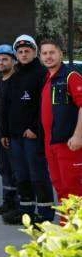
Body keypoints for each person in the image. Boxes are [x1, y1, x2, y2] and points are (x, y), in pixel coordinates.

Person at [1, 34, 55, 225]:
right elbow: (7, 106)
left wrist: (34, 128)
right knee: (21, 175)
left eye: (27, 51)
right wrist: (5, 132)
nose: (23, 54)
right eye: (20, 51)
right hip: (15, 136)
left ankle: (45, 214)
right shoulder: (15, 76)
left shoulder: (42, 74)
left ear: (34, 53)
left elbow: (43, 106)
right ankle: (26, 212)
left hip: (33, 136)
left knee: (37, 175)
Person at [38, 39, 82, 209]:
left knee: (73, 189)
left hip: (69, 144)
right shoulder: (48, 79)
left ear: (60, 54)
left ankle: (77, 225)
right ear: (40, 57)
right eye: (45, 53)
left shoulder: (71, 76)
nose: (48, 56)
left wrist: (78, 136)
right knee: (61, 187)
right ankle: (67, 224)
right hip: (52, 144)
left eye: (52, 52)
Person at [0, 44, 19, 216]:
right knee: (3, 168)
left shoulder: (17, 81)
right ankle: (7, 202)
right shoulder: (1, 80)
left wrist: (7, 133)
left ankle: (18, 204)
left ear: (13, 61)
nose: (1, 62)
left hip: (12, 134)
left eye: (5, 59)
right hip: (1, 132)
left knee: (15, 169)